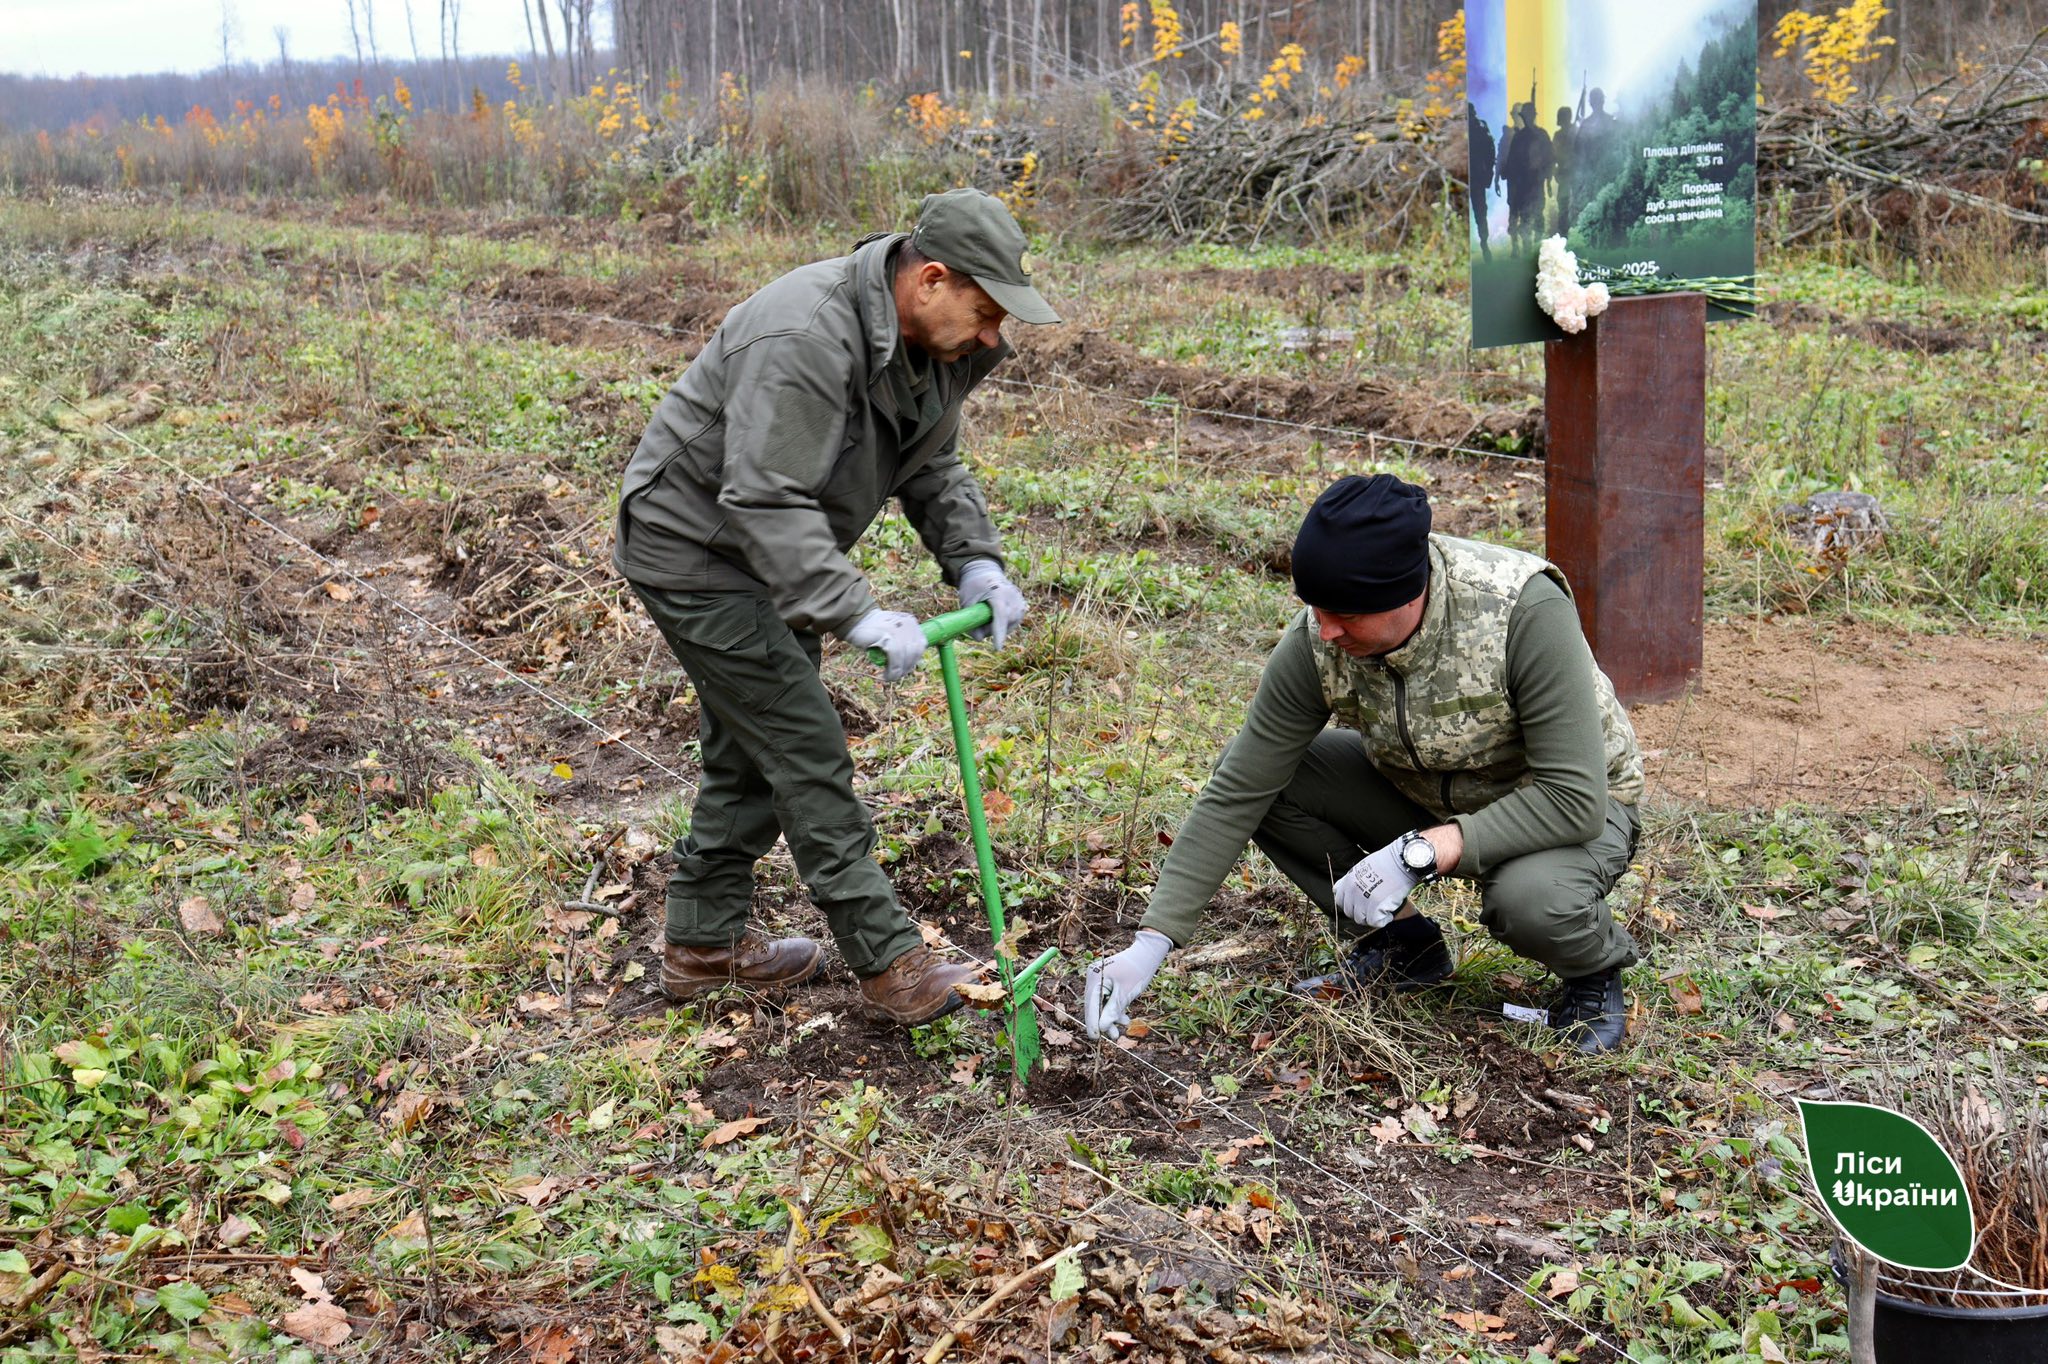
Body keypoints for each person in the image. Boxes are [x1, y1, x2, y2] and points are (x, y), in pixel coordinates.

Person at [613, 189, 1060, 1027]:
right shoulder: (805, 334)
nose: (996, 336)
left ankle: (703, 946)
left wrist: (977, 563)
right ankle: (891, 962)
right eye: (987, 311)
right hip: (698, 550)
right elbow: (764, 495)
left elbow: (932, 465)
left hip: (765, 550)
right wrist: (849, 609)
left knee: (756, 746)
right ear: (930, 280)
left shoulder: (936, 345)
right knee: (805, 743)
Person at [1082, 475, 1646, 1053]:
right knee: (1275, 782)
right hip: (1425, 790)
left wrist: (1421, 852)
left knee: (1531, 900)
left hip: (1571, 807)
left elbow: (1574, 798)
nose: (1325, 629)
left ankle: (1591, 976)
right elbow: (1239, 788)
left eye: (1344, 613)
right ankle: (1406, 945)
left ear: (1407, 594)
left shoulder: (1521, 610)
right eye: (1316, 608)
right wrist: (1152, 942)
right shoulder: (1322, 637)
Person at [1499, 103, 1554, 253]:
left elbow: (1550, 157)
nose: (1528, 119)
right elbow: (1512, 162)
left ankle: (1537, 247)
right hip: (1523, 184)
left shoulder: (1541, 135)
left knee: (1538, 214)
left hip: (1536, 182)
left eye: (1530, 116)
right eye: (1526, 116)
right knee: (1524, 215)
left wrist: (1548, 178)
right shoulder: (1519, 137)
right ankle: (1527, 248)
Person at [1466, 103, 1497, 262]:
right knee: (1479, 211)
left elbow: (1490, 153)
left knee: (1479, 211)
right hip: (1472, 175)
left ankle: (1484, 243)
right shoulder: (1480, 127)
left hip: (1475, 176)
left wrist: (1488, 173)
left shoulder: (1479, 128)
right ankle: (1483, 243)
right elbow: (1491, 153)